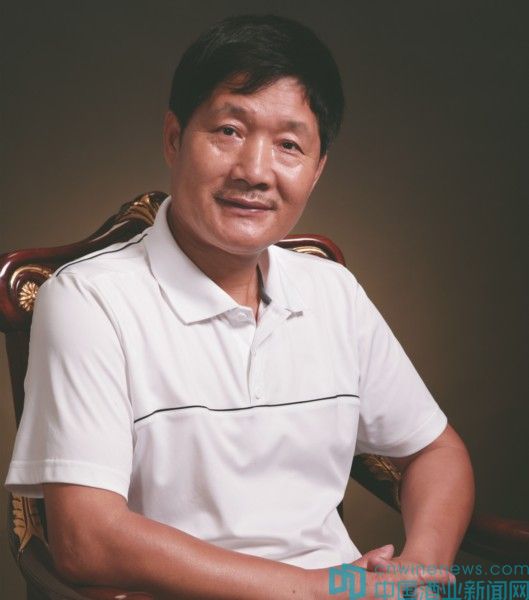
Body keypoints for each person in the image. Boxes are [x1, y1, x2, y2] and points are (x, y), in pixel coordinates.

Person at [5, 14, 474, 600]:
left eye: (289, 145)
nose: (254, 171)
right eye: (229, 130)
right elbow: (86, 539)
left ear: (317, 169)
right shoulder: (89, 300)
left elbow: (437, 450)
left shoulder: (331, 291)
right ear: (174, 138)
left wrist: (418, 568)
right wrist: (317, 589)